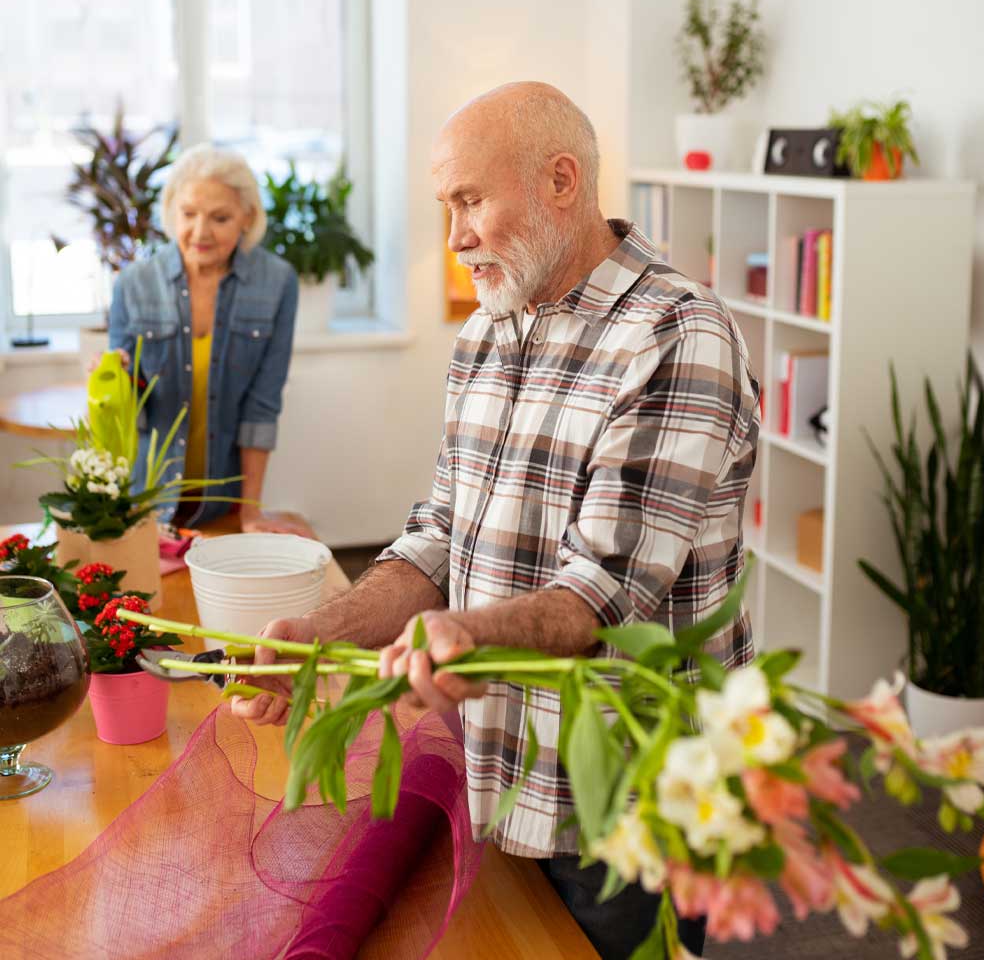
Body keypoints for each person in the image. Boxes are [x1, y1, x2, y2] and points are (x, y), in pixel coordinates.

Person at [232, 82, 760, 958]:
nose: (454, 237)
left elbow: (600, 595)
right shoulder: (489, 331)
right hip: (500, 761)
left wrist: (460, 635)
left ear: (561, 180)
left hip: (626, 796)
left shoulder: (678, 334)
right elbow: (440, 535)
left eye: (470, 200)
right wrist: (320, 636)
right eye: (447, 207)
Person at [108, 143, 306, 533]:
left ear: (247, 218)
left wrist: (250, 511)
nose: (200, 232)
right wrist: (113, 376)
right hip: (147, 502)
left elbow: (262, 406)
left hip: (224, 505)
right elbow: (127, 409)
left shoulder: (277, 283)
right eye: (188, 214)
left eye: (219, 218)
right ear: (171, 211)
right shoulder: (133, 284)